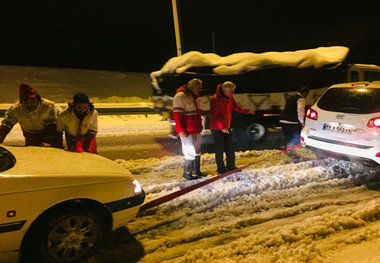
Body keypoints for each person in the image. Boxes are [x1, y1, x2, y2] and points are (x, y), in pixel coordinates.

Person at [210, 81, 256, 174]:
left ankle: (231, 166)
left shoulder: (230, 97)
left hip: (227, 126)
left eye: (233, 91)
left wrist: (247, 111)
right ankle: (221, 169)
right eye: (231, 91)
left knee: (230, 147)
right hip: (217, 128)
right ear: (225, 90)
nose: (232, 93)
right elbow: (215, 116)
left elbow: (236, 107)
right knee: (219, 149)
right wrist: (222, 127)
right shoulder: (215, 99)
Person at [173, 78, 207, 180]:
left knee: (197, 150)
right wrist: (180, 130)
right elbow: (177, 115)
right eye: (198, 88)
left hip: (195, 128)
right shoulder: (180, 96)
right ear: (192, 87)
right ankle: (187, 174)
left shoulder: (193, 96)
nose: (200, 90)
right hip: (187, 130)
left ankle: (196, 171)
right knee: (189, 151)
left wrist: (200, 127)